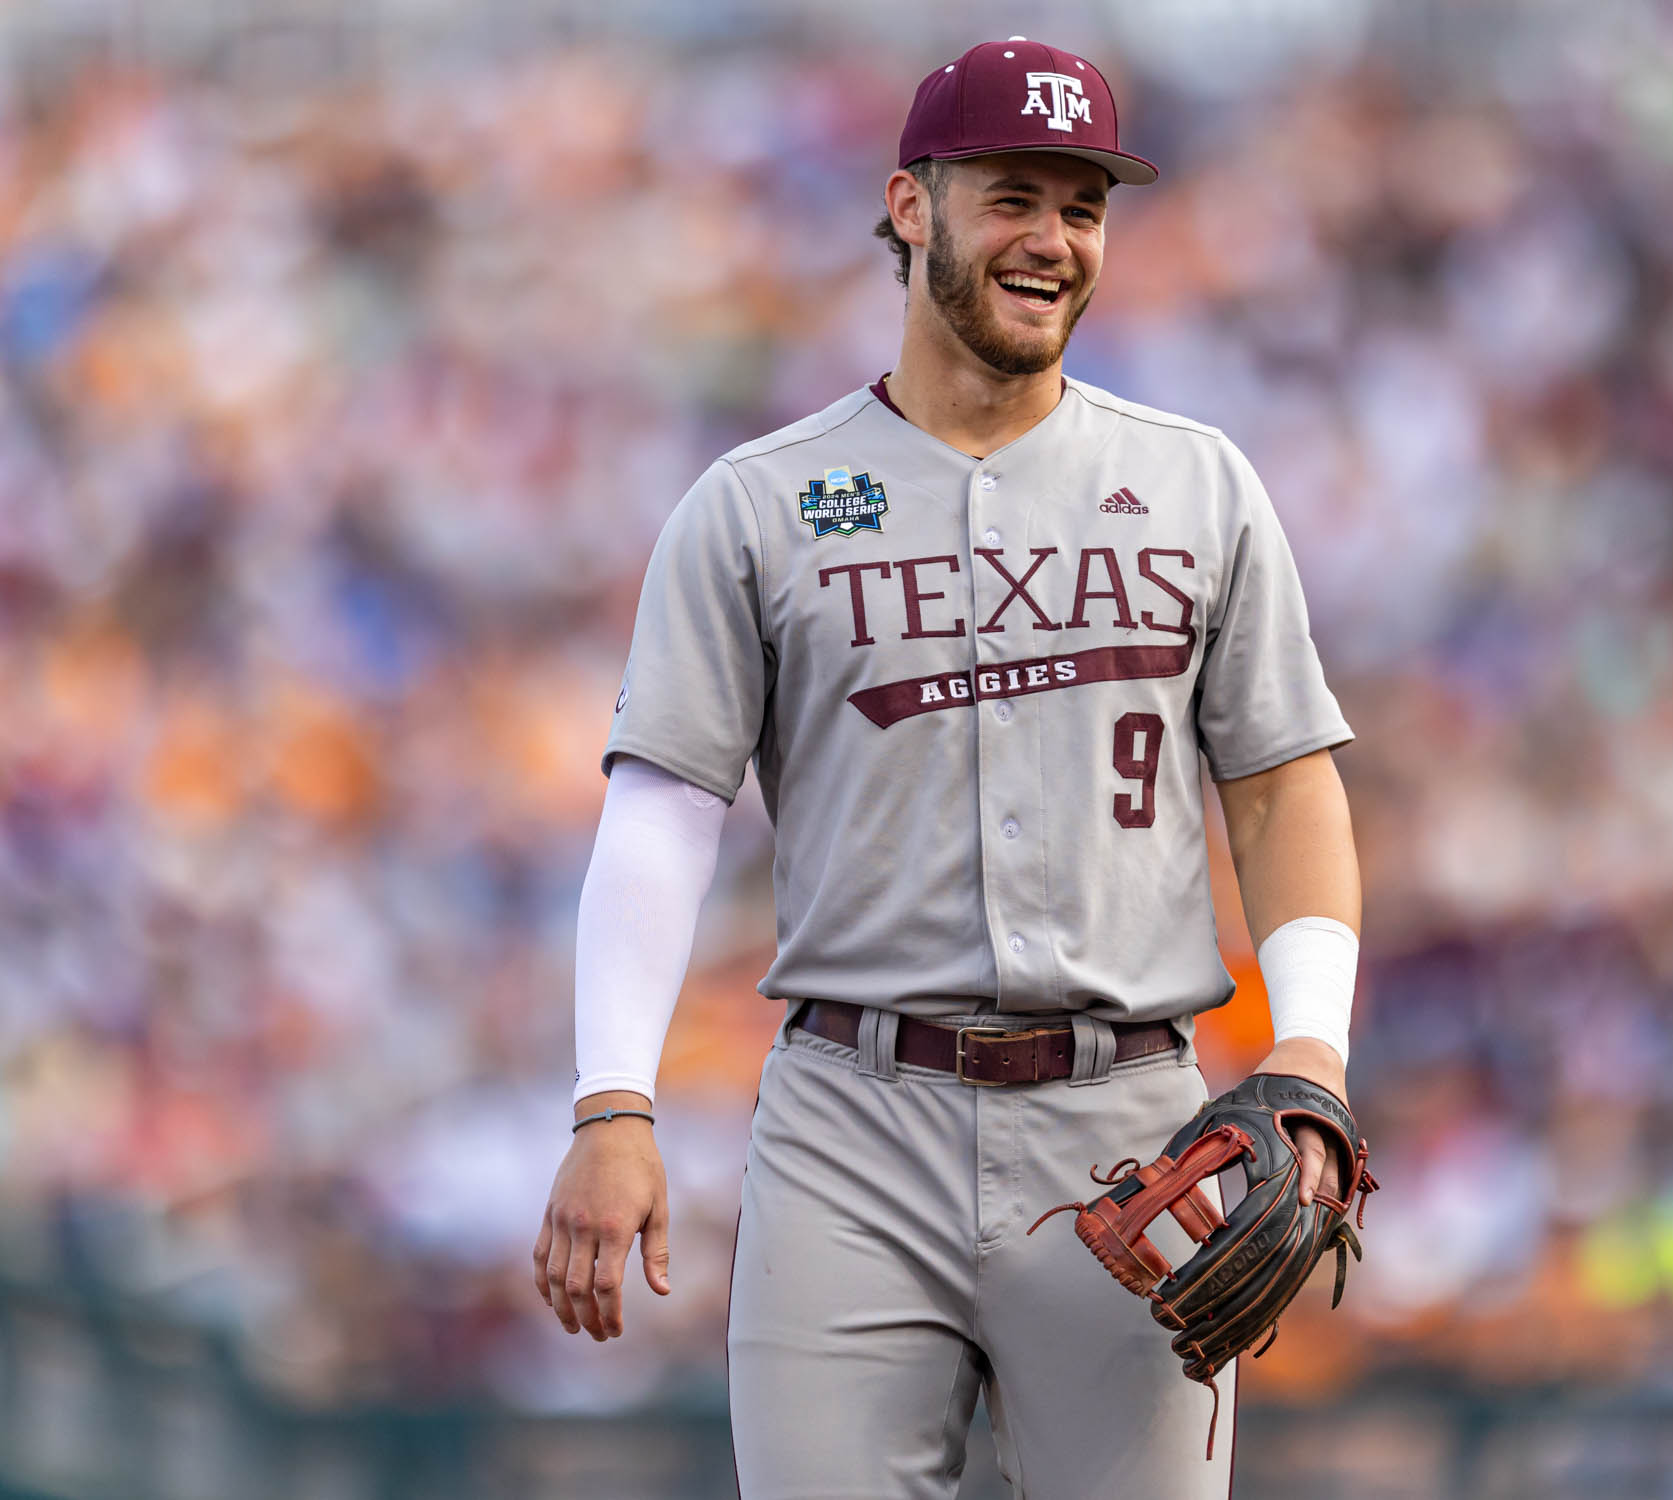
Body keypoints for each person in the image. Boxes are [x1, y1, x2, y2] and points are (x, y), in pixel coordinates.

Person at [531, 36, 1365, 1498]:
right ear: (912, 205)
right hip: (854, 1119)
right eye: (1013, 196)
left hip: (1127, 1120)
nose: (1052, 239)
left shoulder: (1197, 480)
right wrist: (615, 1097)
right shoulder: (759, 504)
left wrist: (1310, 1047)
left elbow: (1283, 782)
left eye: (1084, 206)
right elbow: (665, 808)